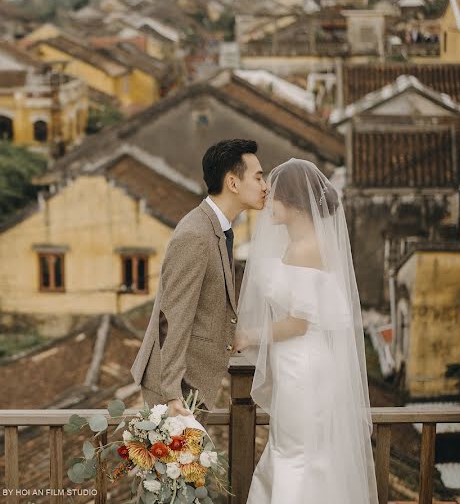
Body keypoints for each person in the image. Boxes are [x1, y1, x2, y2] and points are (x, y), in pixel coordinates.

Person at [235, 158, 377, 504]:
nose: (267, 196)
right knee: (298, 452)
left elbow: (299, 323)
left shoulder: (304, 250)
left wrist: (247, 336)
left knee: (296, 455)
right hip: (301, 365)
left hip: (303, 368)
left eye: (276, 193)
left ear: (297, 203)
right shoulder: (303, 245)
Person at [130, 139, 268, 416]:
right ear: (233, 183)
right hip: (174, 389)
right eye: (258, 177)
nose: (265, 186)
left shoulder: (218, 229)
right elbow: (172, 315)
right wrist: (170, 394)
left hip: (192, 383)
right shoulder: (195, 234)